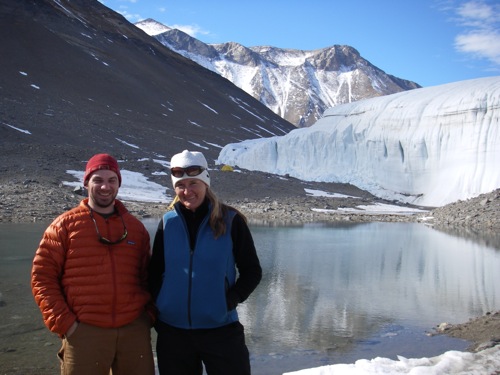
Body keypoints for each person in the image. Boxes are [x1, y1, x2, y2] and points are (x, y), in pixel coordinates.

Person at [31, 153, 155, 375]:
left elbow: (149, 276)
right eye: (98, 180)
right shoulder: (64, 226)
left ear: (118, 184)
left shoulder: (135, 228)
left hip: (133, 330)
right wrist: (66, 324)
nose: (105, 186)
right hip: (84, 331)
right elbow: (42, 277)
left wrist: (148, 317)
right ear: (86, 182)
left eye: (111, 180)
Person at [149, 150, 262, 375]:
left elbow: (252, 271)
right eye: (181, 185)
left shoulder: (231, 220)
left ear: (206, 183)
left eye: (194, 183)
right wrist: (159, 306)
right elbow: (155, 272)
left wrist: (229, 300)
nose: (187, 191)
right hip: (174, 333)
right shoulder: (168, 223)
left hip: (221, 330)